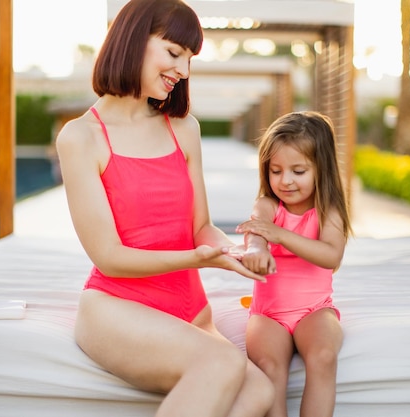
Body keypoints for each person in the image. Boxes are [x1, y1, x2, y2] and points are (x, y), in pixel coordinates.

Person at [55, 1, 275, 416]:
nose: (184, 71)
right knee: (222, 361)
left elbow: (202, 228)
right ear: (133, 40)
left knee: (261, 393)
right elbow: (110, 257)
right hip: (115, 308)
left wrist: (233, 252)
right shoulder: (80, 137)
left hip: (189, 307)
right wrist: (198, 260)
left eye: (189, 59)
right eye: (174, 53)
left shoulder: (184, 129)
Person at [235, 111, 352, 417]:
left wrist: (281, 235)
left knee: (324, 356)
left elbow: (331, 255)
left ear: (321, 170)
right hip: (268, 313)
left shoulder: (329, 212)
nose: (285, 181)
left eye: (298, 171)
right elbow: (256, 236)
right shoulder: (267, 206)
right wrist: (257, 250)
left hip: (315, 309)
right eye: (276, 171)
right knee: (270, 367)